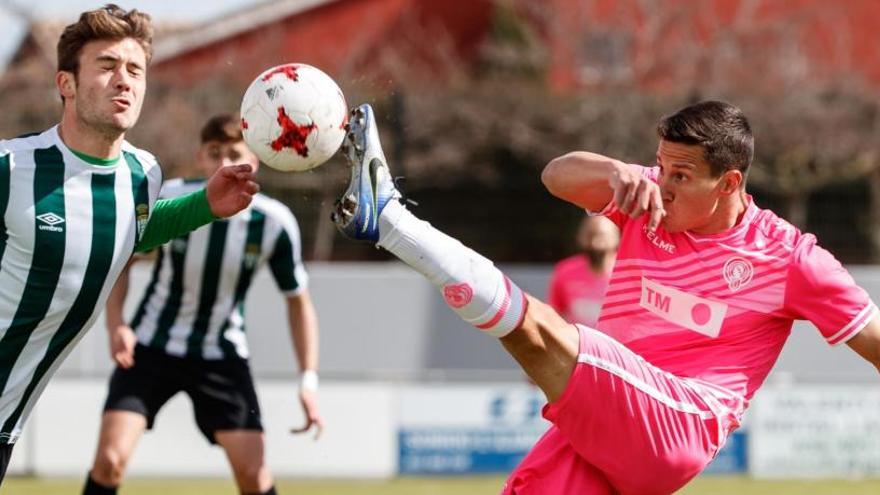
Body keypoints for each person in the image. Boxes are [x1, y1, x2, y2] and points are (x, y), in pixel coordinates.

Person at [331, 101, 880, 495]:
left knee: (537, 331)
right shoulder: (647, 192)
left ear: (730, 183)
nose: (663, 183)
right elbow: (555, 177)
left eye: (682, 176)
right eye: (660, 166)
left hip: (681, 421)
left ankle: (391, 220)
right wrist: (614, 171)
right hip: (610, 417)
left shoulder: (790, 258)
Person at [0, 5, 258, 482]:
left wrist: (203, 205)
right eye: (106, 65)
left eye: (135, 69)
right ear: (66, 84)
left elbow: (129, 228)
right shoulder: (11, 168)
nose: (125, 80)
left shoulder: (144, 175)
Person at [82, 114, 322, 495]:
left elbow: (298, 301)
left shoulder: (273, 222)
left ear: (254, 159)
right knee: (109, 462)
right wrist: (117, 325)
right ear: (200, 158)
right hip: (149, 347)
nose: (224, 163)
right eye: (214, 153)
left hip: (221, 354)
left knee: (254, 476)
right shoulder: (170, 197)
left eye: (234, 153)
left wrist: (308, 379)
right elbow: (122, 260)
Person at [547, 215, 618, 327]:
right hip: (577, 342)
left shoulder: (629, 272)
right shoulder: (565, 271)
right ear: (580, 237)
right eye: (590, 236)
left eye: (602, 236)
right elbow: (554, 316)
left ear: (616, 237)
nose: (595, 243)